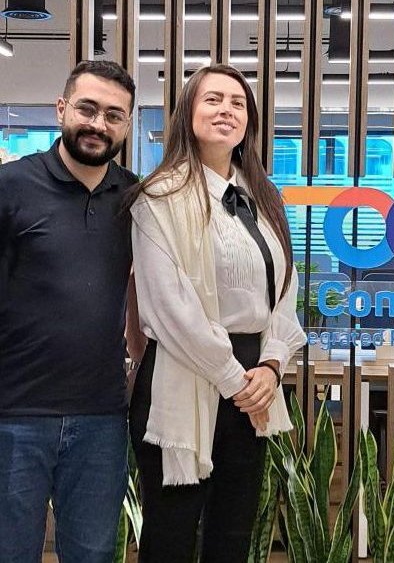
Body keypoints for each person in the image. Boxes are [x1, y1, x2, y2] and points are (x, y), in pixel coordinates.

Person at [128, 64, 305, 563]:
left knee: (233, 534)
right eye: (213, 100)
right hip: (184, 375)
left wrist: (271, 366)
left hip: (255, 383)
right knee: (171, 536)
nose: (226, 110)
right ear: (188, 113)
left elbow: (284, 289)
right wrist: (235, 379)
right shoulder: (159, 196)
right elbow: (168, 307)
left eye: (237, 102)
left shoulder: (263, 197)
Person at [0, 61, 141, 563]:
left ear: (127, 123)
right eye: (87, 108)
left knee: (94, 554)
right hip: (14, 416)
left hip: (101, 419)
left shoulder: (136, 199)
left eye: (114, 115)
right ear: (62, 108)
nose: (98, 124)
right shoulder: (11, 185)